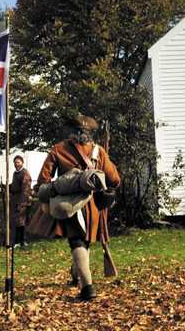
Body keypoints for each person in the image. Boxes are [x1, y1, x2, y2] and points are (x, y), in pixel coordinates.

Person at [29, 115, 120, 301]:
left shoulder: (58, 149)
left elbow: (43, 181)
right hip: (94, 207)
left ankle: (88, 288)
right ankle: (76, 272)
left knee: (77, 242)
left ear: (71, 132)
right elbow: (114, 180)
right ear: (89, 133)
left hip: (71, 205)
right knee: (82, 242)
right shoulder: (99, 151)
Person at [6, 155, 32, 247]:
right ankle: (20, 241)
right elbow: (14, 186)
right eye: (15, 162)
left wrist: (21, 204)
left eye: (18, 162)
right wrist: (5, 187)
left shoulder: (24, 173)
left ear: (22, 163)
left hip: (21, 200)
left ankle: (19, 241)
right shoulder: (16, 173)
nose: (17, 164)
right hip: (15, 200)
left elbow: (25, 189)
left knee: (20, 221)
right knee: (18, 222)